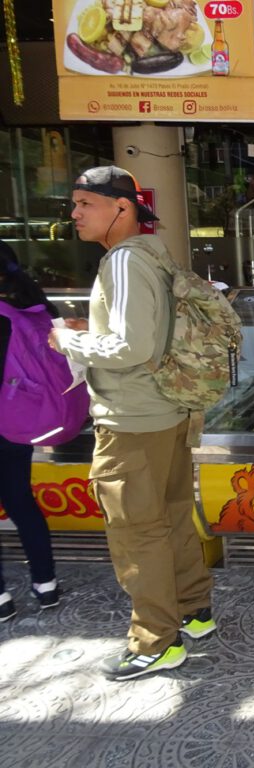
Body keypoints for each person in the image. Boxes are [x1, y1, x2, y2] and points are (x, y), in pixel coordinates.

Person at [49, 166, 215, 681]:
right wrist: (92, 325)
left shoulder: (121, 262)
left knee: (136, 534)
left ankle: (155, 640)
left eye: (84, 204)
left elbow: (131, 346)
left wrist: (69, 340)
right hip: (167, 412)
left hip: (132, 423)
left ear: (120, 208)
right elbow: (145, 330)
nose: (74, 214)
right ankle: (194, 611)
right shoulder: (152, 253)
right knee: (170, 518)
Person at [0, 242, 61, 621]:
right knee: (22, 501)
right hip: (20, 422)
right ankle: (46, 583)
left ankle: (2, 600)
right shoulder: (34, 304)